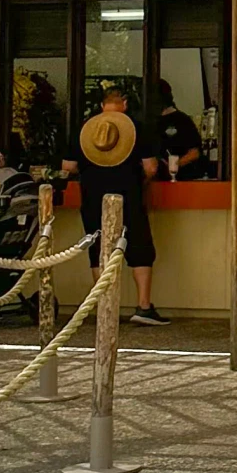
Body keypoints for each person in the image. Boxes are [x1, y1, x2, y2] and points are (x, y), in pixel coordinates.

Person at [63, 86, 167, 326]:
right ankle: (143, 307)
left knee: (98, 249)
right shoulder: (137, 128)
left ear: (102, 105)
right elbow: (151, 168)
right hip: (129, 195)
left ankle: (105, 307)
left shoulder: (85, 129)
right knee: (140, 248)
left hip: (92, 197)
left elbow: (68, 167)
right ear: (125, 104)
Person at [149, 81, 207, 182]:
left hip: (181, 180)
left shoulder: (182, 120)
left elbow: (195, 152)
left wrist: (174, 165)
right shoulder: (150, 122)